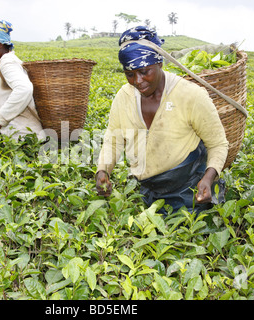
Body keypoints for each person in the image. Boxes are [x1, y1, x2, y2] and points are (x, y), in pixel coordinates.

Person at [95, 26, 228, 215]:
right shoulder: (123, 97)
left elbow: (218, 144)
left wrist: (208, 177)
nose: (138, 81)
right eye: (130, 74)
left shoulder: (191, 95)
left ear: (159, 64)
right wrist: (103, 171)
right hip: (148, 189)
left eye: (144, 71)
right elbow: (113, 139)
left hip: (189, 188)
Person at [0, 20, 45, 141]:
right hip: (23, 138)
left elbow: (24, 89)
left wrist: (0, 118)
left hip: (24, 139)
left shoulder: (7, 62)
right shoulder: (7, 61)